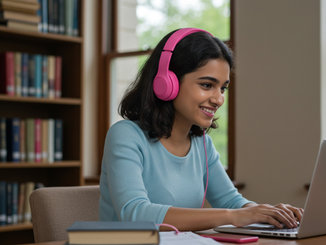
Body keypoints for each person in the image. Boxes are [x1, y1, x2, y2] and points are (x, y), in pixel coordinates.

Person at [99, 28, 303, 231]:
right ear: (167, 83)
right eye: (207, 85)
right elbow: (135, 214)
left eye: (223, 88)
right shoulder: (126, 135)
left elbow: (231, 201)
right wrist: (234, 216)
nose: (219, 99)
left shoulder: (202, 144)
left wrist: (267, 213)